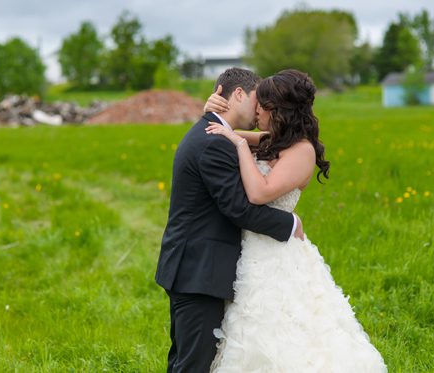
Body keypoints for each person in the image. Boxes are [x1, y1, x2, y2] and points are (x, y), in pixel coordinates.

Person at [203, 69, 386, 372]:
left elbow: (260, 193)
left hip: (277, 255)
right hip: (250, 251)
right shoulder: (272, 140)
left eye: (262, 104)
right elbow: (222, 130)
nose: (256, 110)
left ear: (279, 109)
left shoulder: (302, 151)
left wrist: (238, 145)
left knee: (284, 332)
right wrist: (211, 112)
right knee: (245, 328)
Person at [155, 67, 304, 372]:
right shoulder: (213, 141)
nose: (259, 108)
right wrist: (291, 225)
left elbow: (273, 139)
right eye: (256, 100)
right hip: (198, 272)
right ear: (238, 94)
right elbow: (239, 209)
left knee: (187, 360)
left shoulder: (215, 132)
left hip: (198, 268)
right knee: (193, 364)